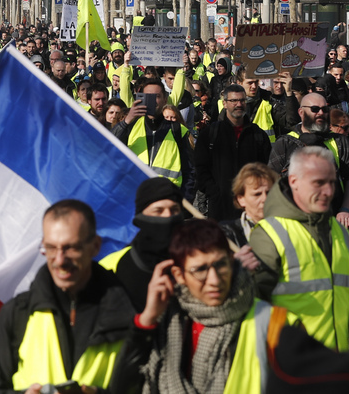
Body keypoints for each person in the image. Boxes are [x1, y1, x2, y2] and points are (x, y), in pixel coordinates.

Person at [110, 220, 299, 394]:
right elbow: (122, 387)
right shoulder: (163, 321)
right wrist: (147, 321)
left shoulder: (275, 323)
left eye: (221, 265)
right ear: (179, 275)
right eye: (200, 270)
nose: (214, 281)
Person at [0, 200, 133, 394]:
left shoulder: (127, 313)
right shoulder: (16, 313)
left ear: (95, 246)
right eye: (50, 248)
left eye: (71, 248)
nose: (60, 260)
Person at [251, 146, 349, 351]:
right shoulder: (269, 234)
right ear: (293, 182)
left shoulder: (340, 232)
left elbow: (348, 298)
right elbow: (254, 309)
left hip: (337, 365)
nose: (328, 191)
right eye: (318, 183)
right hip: (291, 369)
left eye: (332, 183)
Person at [268, 92, 349, 228]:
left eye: (325, 109)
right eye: (314, 109)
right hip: (294, 220)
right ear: (301, 112)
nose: (320, 113)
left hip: (334, 216)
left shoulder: (339, 141)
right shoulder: (285, 142)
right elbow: (271, 182)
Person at [99, 177, 187, 312]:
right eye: (158, 211)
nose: (168, 216)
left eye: (174, 209)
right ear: (141, 216)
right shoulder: (111, 266)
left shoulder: (194, 260)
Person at [196, 84, 272, 221]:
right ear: (224, 103)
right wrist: (214, 192)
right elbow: (200, 168)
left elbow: (265, 169)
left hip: (250, 210)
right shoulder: (210, 134)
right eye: (234, 101)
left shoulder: (258, 135)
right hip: (220, 209)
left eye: (242, 100)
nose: (239, 104)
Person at [113, 78, 194, 192]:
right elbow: (108, 146)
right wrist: (127, 120)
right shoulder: (131, 126)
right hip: (136, 198)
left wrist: (184, 202)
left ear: (165, 100)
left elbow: (190, 172)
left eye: (157, 96)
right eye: (148, 96)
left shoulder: (178, 130)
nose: (153, 101)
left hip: (167, 200)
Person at [220, 162, 278, 248]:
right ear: (241, 199)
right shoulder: (227, 234)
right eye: (257, 194)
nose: (264, 199)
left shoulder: (289, 228)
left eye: (269, 192)